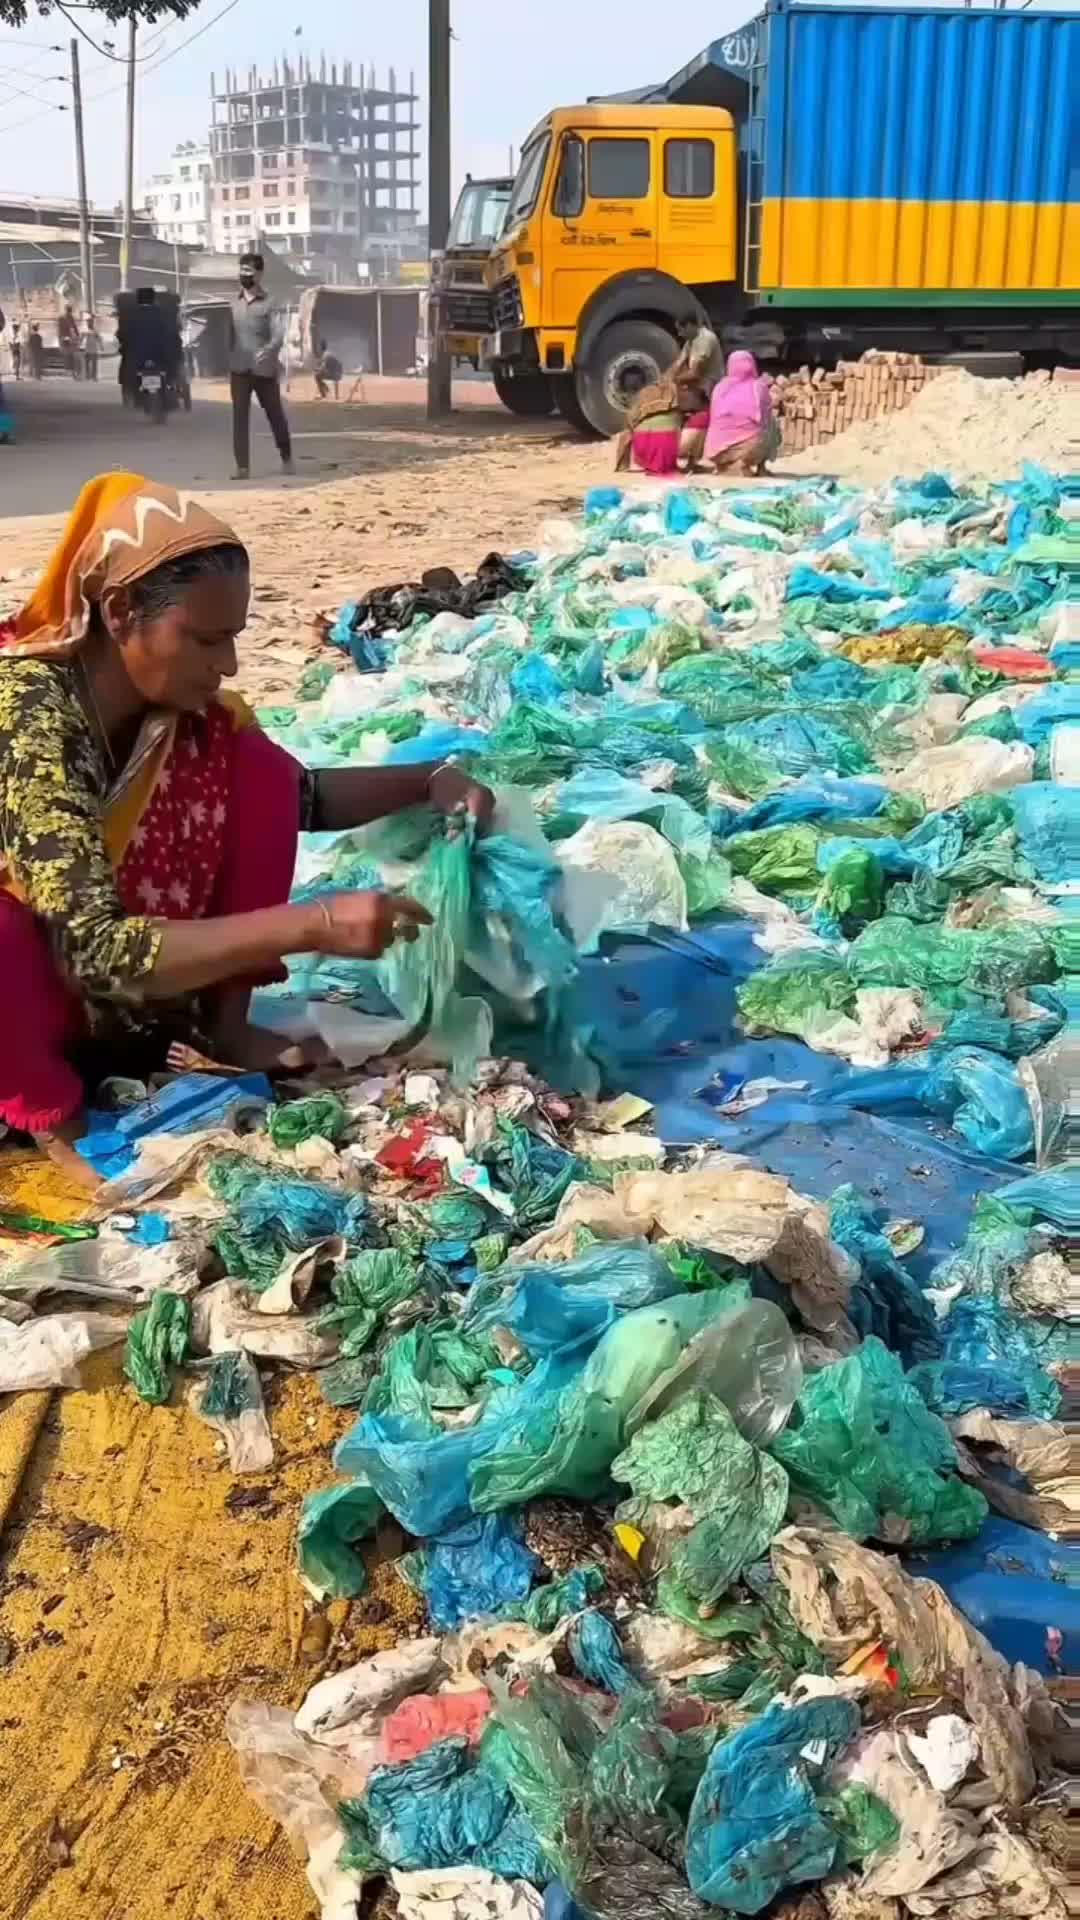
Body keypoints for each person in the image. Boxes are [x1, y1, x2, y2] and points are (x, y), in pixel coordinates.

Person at [0, 471, 494, 1189]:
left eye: (232, 638)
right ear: (120, 611)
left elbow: (297, 799)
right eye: (204, 639)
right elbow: (94, 951)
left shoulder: (171, 712)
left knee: (252, 767)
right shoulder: (29, 714)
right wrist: (312, 924)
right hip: (24, 1002)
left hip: (109, 1001)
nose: (226, 664)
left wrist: (428, 780)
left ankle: (221, 1027)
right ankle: (51, 1113)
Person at [229, 251, 292, 480]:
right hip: (239, 369)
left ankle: (286, 457)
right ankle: (242, 467)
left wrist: (268, 350)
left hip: (264, 370)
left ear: (259, 274)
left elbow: (278, 334)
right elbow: (228, 334)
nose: (244, 275)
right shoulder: (233, 303)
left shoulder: (270, 303)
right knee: (239, 418)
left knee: (275, 414)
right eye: (242, 270)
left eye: (248, 270)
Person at [703, 350, 780, 475]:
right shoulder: (758, 387)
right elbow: (765, 417)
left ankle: (722, 466)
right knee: (772, 424)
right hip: (748, 450)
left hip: (716, 452)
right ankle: (757, 467)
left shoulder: (719, 387)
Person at [58, 302, 80, 378]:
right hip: (69, 338)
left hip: (65, 338)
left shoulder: (62, 318)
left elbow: (60, 330)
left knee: (67, 355)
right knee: (71, 355)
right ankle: (72, 371)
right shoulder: (70, 318)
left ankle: (69, 371)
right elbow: (74, 328)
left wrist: (60, 338)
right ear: (70, 310)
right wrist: (77, 336)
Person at [80, 314, 102, 383]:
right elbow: (81, 338)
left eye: (90, 322)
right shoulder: (85, 330)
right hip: (87, 349)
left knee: (94, 364)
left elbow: (99, 338)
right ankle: (88, 376)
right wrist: (79, 344)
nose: (89, 324)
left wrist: (101, 346)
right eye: (88, 322)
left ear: (92, 323)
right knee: (87, 363)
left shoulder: (95, 330)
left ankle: (94, 377)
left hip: (94, 349)